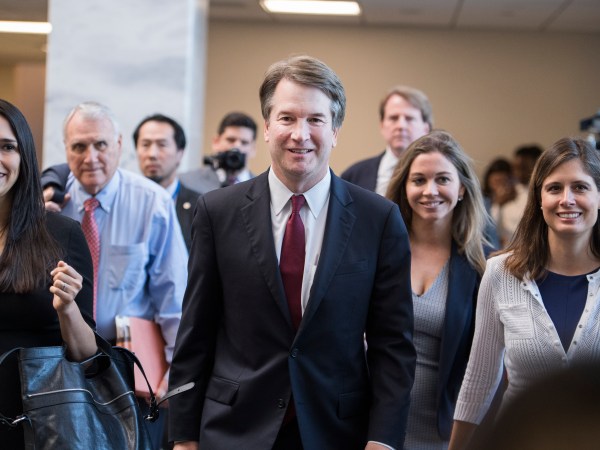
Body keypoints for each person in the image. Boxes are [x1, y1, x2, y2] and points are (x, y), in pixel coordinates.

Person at [168, 55, 416, 450]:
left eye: (315, 120)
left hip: (337, 432)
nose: (300, 134)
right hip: (234, 429)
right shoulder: (217, 212)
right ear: (266, 127)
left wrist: (382, 441)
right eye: (287, 118)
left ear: (335, 131)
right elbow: (195, 333)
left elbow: (393, 346)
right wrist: (181, 436)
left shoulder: (379, 219)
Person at [41, 101, 188, 450]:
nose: (90, 157)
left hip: (128, 363)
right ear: (66, 150)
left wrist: (173, 371)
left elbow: (173, 295)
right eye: (79, 146)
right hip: (61, 363)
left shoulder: (152, 203)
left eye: (101, 145)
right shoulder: (49, 208)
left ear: (120, 146)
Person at [448, 137, 600, 450]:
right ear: (539, 198)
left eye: (581, 187)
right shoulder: (501, 273)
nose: (566, 199)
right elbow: (478, 380)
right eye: (554, 188)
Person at [0, 99, 97, 449]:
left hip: (38, 425)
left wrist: (67, 308)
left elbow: (89, 355)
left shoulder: (61, 233)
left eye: (7, 147)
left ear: (24, 156)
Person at [386, 130, 490, 449]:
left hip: (440, 434)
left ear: (461, 190)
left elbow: (484, 368)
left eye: (442, 179)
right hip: (373, 425)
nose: (430, 190)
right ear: (405, 188)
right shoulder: (380, 254)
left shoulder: (480, 270)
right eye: (419, 180)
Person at [341, 85, 432, 196]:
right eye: (393, 118)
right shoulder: (353, 176)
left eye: (409, 118)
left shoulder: (439, 175)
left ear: (426, 128)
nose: (401, 125)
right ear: (382, 125)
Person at [133, 113, 201, 250]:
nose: (152, 154)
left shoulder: (199, 207)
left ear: (180, 153)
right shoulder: (125, 201)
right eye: (145, 145)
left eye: (162, 145)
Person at [179, 111, 258, 192]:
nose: (237, 146)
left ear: (253, 149)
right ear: (216, 142)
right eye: (231, 140)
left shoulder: (262, 188)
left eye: (244, 142)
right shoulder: (186, 182)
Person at [482, 157, 522, 248]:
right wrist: (497, 203)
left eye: (503, 181)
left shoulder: (518, 198)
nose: (499, 186)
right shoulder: (483, 201)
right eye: (496, 181)